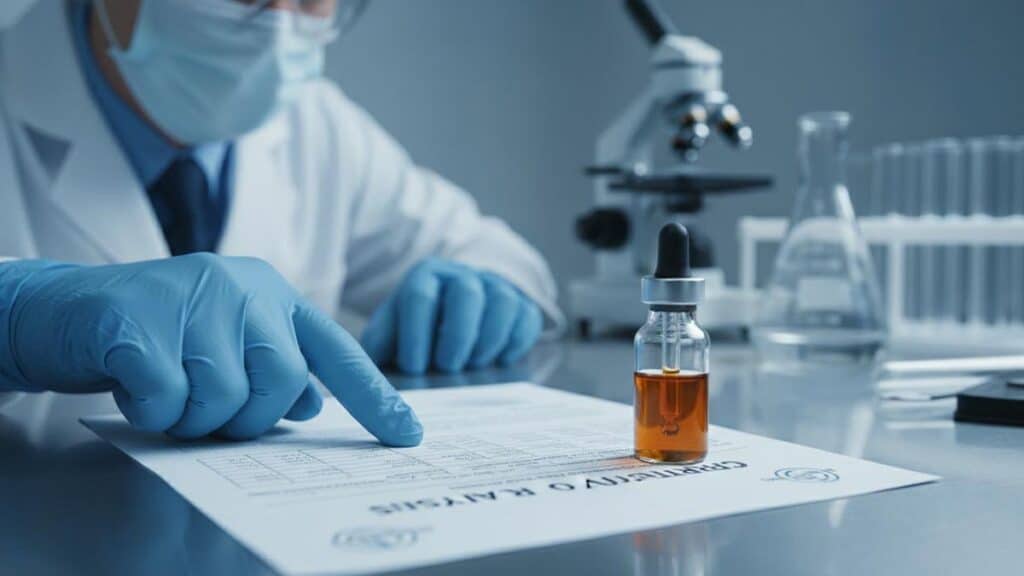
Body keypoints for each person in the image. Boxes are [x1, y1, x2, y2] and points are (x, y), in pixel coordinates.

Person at [0, 0, 561, 444]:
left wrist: (485, 290)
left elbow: (487, 249)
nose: (276, 28)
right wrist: (14, 315)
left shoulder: (316, 122)